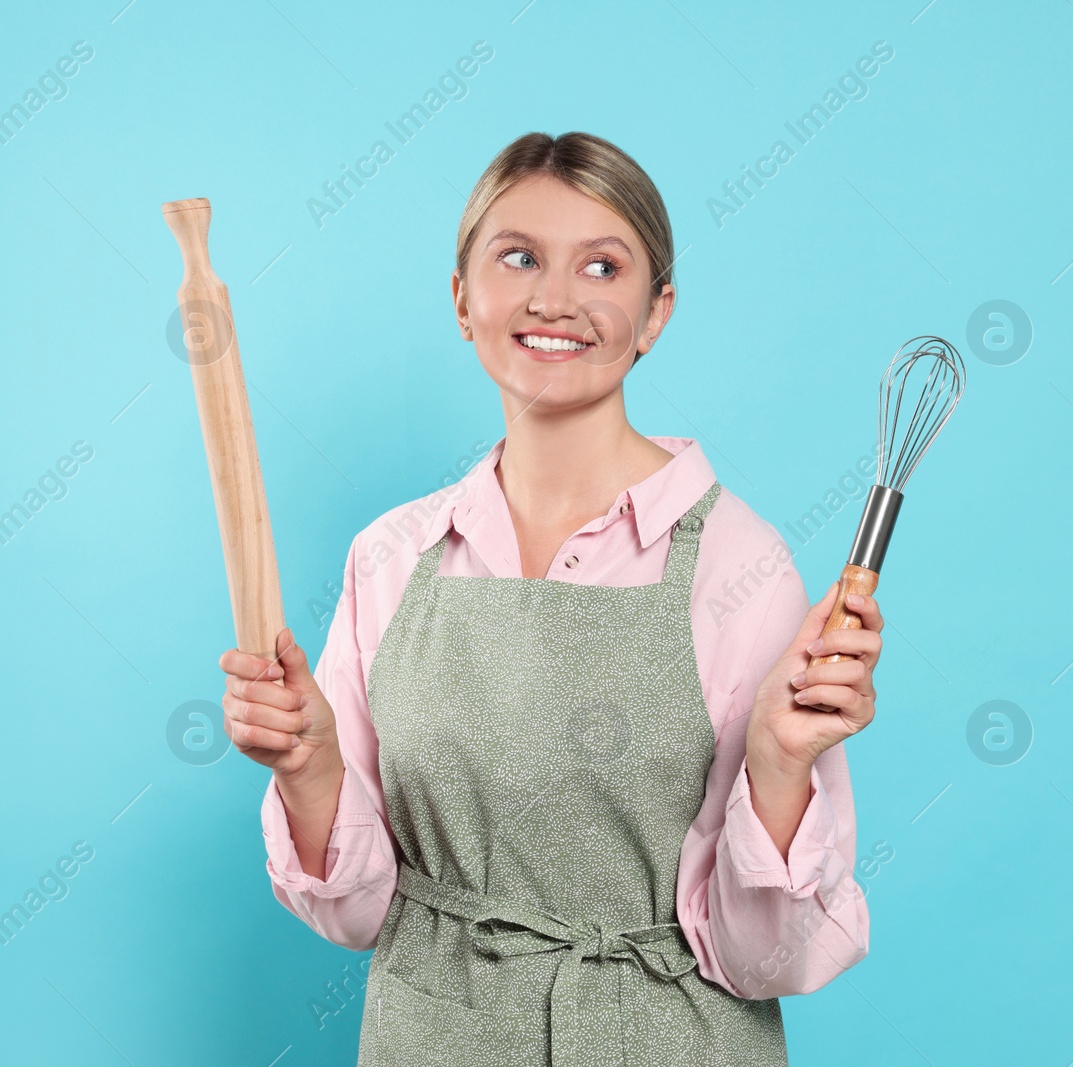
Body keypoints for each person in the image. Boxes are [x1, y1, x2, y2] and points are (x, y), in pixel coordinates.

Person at [217, 131, 878, 1065]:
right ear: (462, 297)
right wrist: (312, 765)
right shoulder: (392, 557)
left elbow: (761, 955)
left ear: (655, 314)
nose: (555, 298)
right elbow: (360, 912)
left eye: (602, 266)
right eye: (518, 256)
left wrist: (777, 764)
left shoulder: (743, 565)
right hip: (431, 1036)